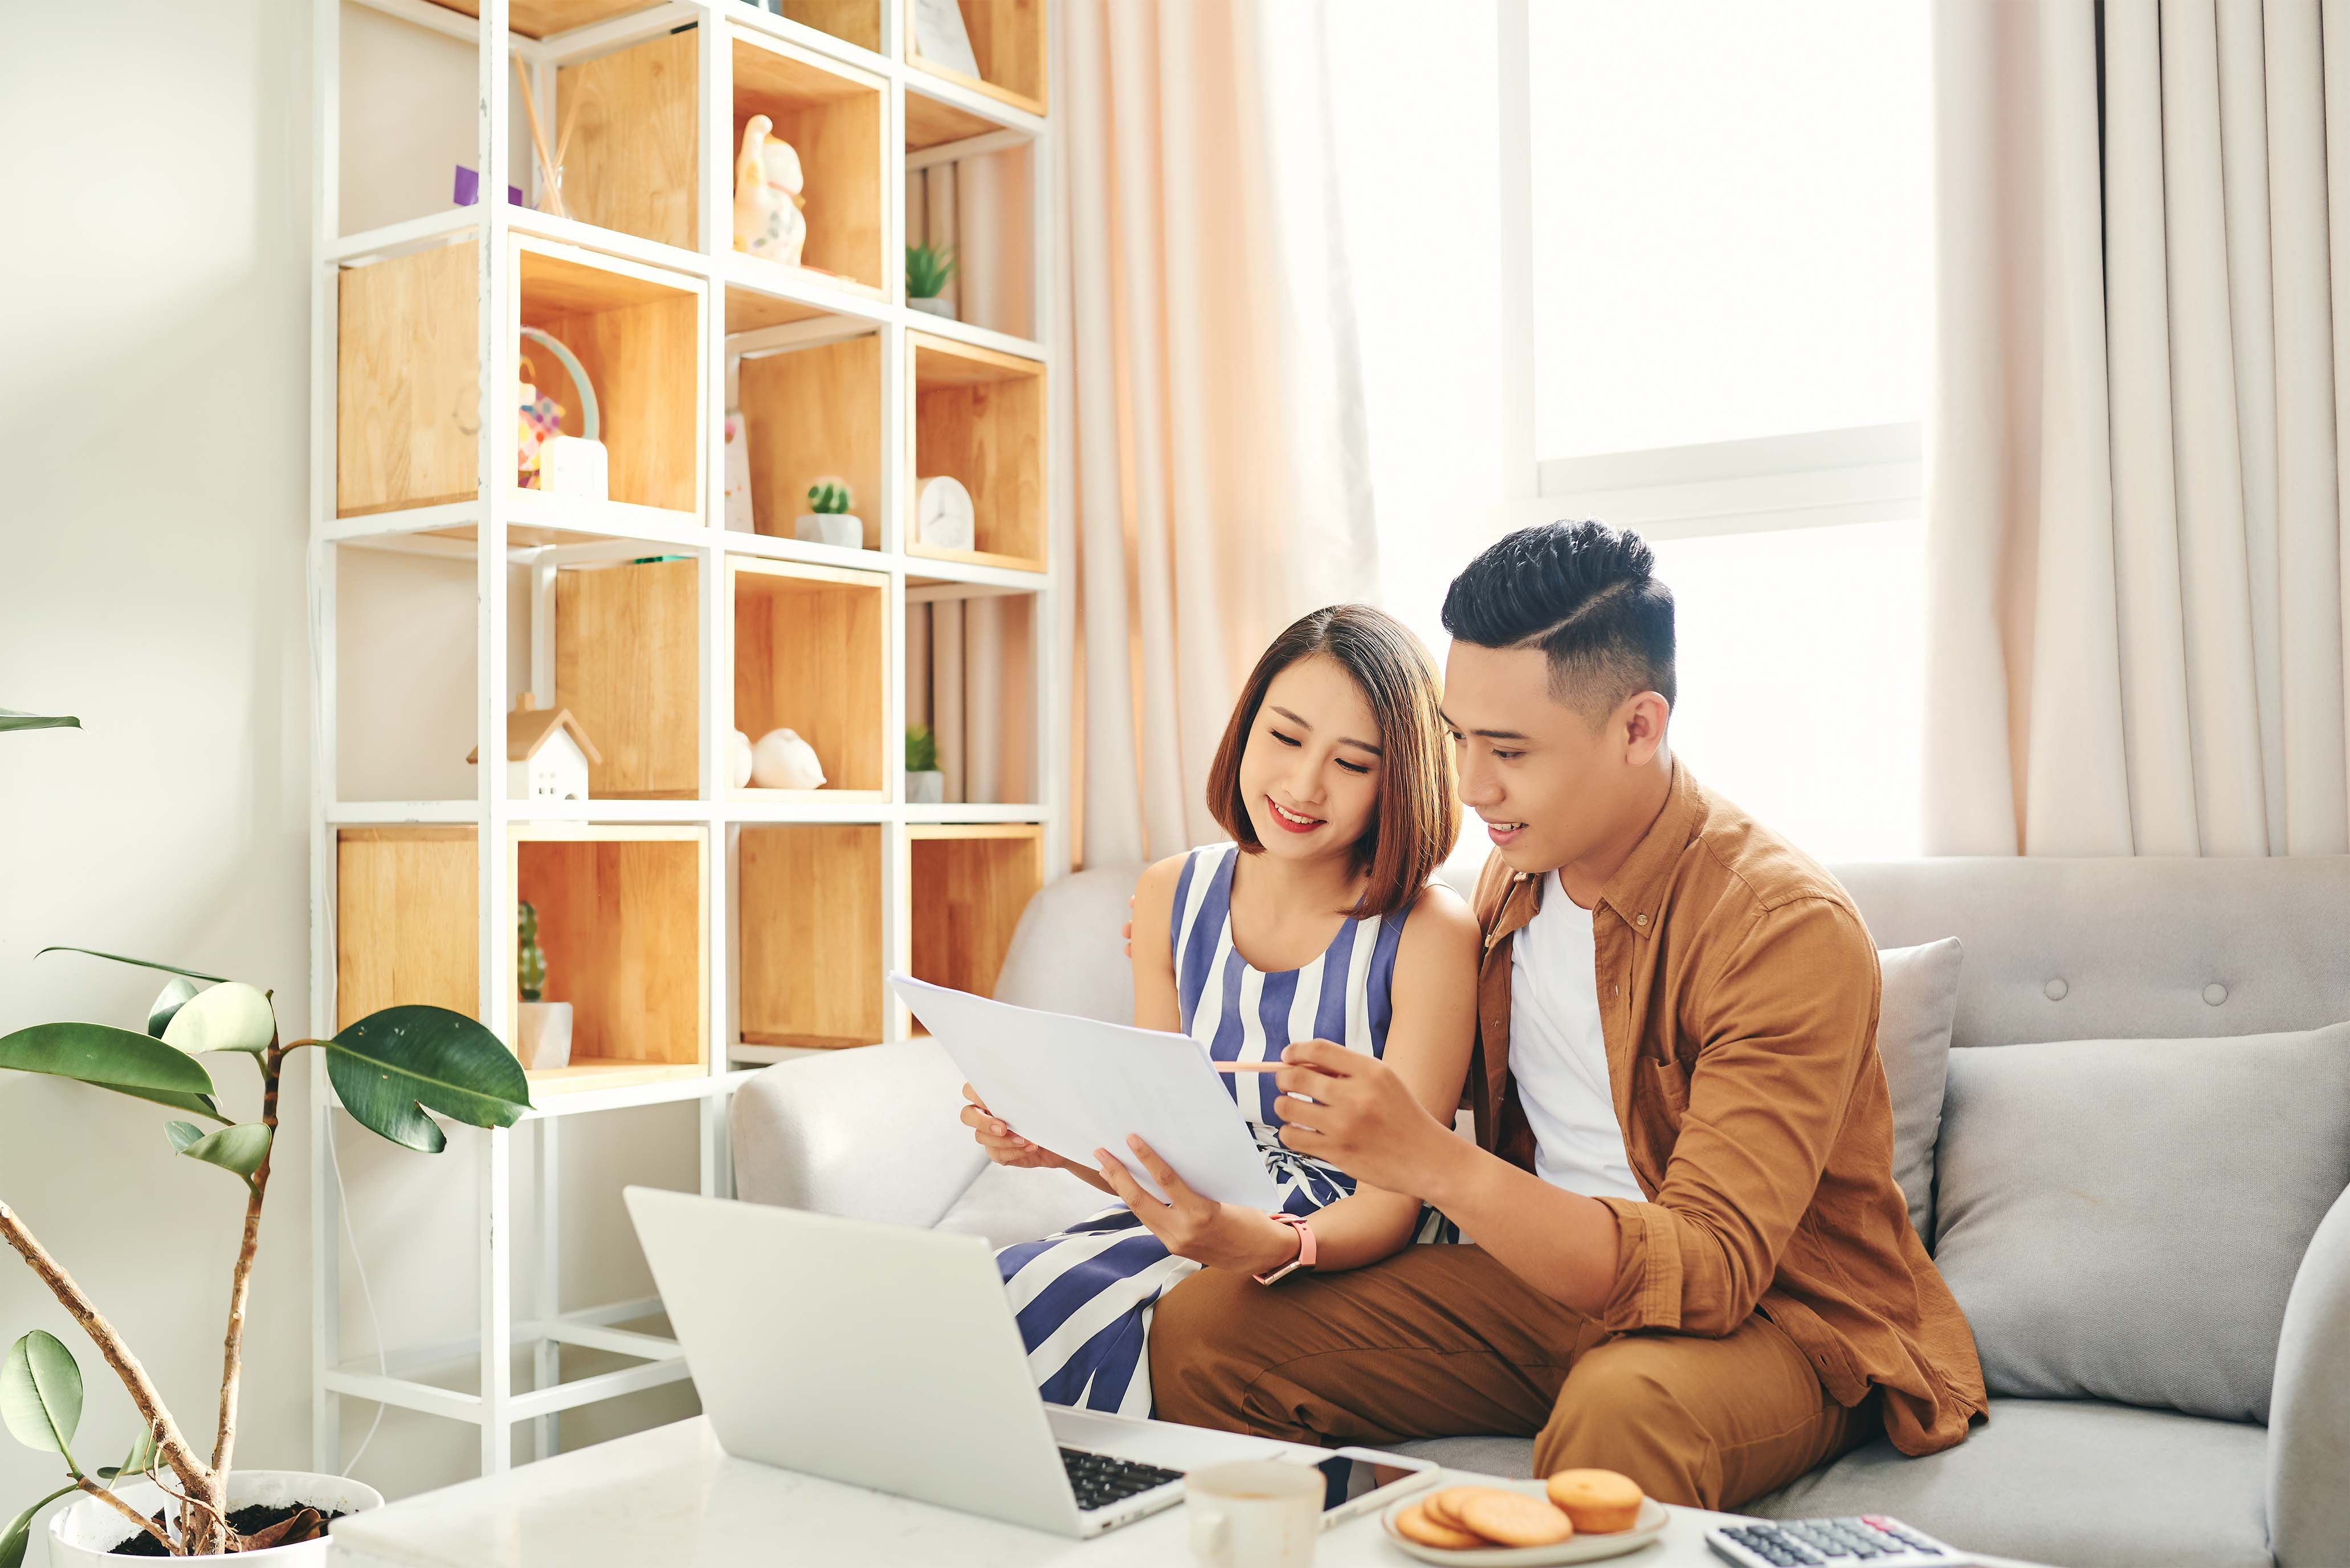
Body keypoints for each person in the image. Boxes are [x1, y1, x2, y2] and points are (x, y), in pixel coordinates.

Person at [1148, 521, 1987, 1512]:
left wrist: (1434, 1162)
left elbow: (1712, 1272)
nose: (1471, 787)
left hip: (1774, 1322)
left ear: (1639, 727)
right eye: (1461, 740)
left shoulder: (1780, 929)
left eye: (1508, 750)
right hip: (1540, 1291)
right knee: (1206, 1331)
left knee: (1622, 1409)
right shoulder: (1514, 875)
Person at [958, 603, 1481, 1418]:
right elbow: (1154, 1147)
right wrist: (1049, 1140)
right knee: (1002, 1295)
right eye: (1285, 737)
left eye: (1352, 763)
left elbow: (1396, 1199)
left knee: (1078, 1319)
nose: (1304, 785)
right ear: (1245, 730)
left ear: (1401, 781)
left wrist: (1270, 1243)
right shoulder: (1171, 894)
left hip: (1354, 1248)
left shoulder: (1429, 930)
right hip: (1203, 1226)